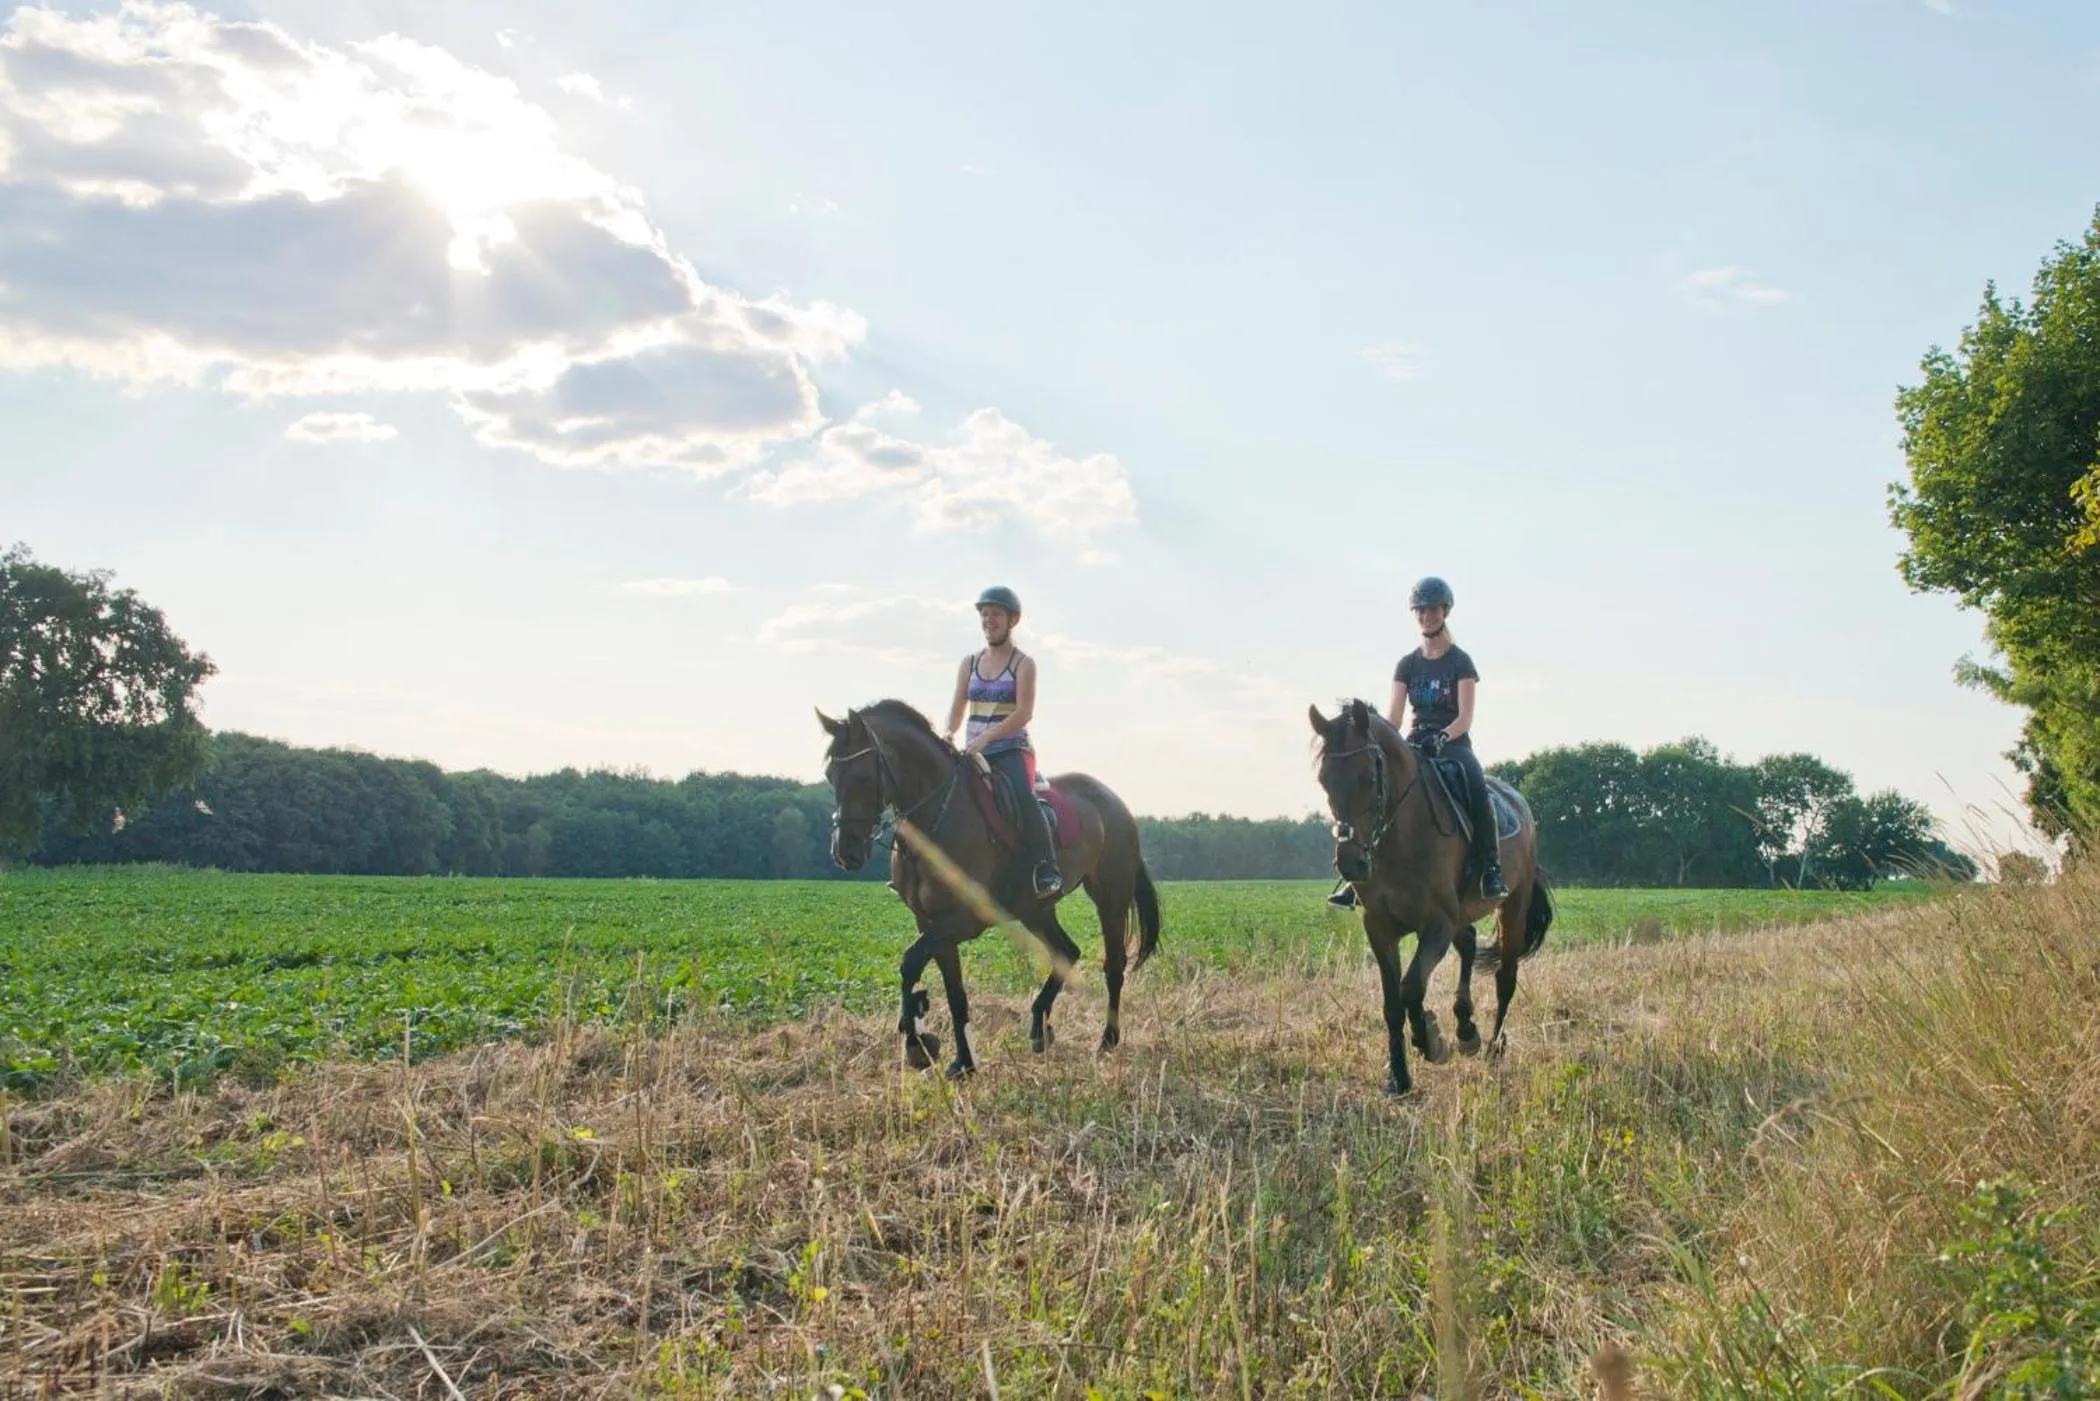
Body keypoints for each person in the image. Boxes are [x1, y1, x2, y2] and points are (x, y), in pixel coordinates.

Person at [1327, 575, 1507, 909]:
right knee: (1381, 794)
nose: (1427, 616)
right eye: (1421, 610)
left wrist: (1443, 736)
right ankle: (1357, 881)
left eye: (1433, 609)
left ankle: (1491, 869)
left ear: (1445, 611)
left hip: (1453, 744)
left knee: (1477, 787)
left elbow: (1465, 717)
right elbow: (1395, 718)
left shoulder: (1461, 661)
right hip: (1414, 743)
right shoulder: (1407, 665)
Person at [945, 586, 1063, 899]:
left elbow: (1024, 713)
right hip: (973, 751)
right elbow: (957, 707)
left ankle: (1047, 867)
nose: (989, 620)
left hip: (1011, 749)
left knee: (1023, 796)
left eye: (996, 613)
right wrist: (948, 733)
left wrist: (987, 737)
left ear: (1012, 620)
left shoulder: (1023, 664)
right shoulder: (969, 663)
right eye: (984, 614)